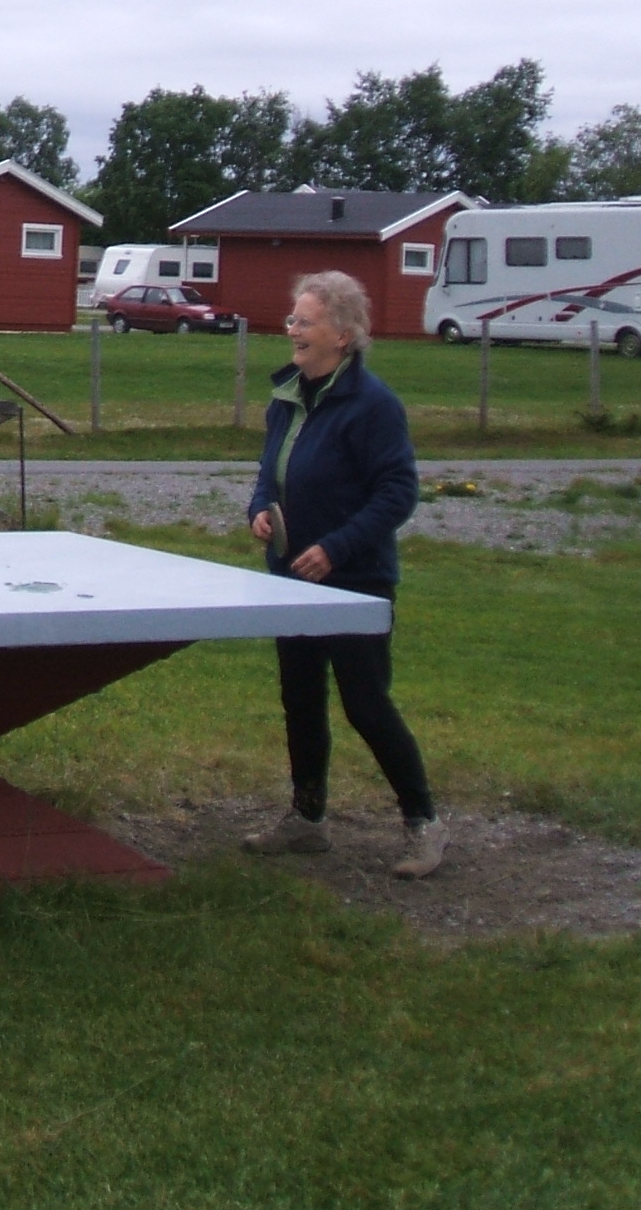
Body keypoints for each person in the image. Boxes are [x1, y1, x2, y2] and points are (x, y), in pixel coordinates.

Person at [242, 271, 445, 879]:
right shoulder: (288, 396)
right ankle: (307, 821)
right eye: (292, 320)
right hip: (291, 581)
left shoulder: (374, 405)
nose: (292, 331)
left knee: (365, 704)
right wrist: (257, 509)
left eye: (305, 322)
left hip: (356, 581)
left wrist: (336, 547)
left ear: (344, 335)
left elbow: (398, 492)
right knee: (300, 700)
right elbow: (268, 472)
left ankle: (423, 825)